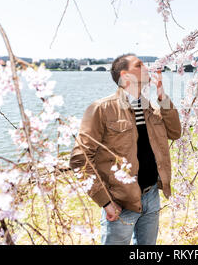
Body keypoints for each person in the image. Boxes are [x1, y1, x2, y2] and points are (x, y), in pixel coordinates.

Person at [69, 53, 181, 245]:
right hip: (121, 201)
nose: (147, 67)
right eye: (139, 65)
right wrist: (105, 201)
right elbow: (80, 159)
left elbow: (175, 132)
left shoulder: (151, 109)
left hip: (151, 196)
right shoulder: (101, 109)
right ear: (126, 75)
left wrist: (161, 94)